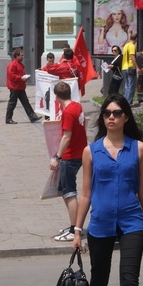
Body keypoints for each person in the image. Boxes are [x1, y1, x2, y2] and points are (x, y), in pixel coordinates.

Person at [72, 94, 143, 286]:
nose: (111, 117)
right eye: (107, 113)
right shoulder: (91, 151)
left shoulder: (139, 148)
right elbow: (86, 193)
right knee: (99, 279)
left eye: (116, 113)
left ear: (126, 117)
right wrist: (77, 231)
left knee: (129, 281)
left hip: (132, 222)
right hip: (100, 222)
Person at [50, 81, 88, 242]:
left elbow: (66, 136)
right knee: (68, 190)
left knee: (69, 192)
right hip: (81, 152)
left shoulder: (68, 112)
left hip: (69, 156)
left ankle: (75, 228)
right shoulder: (77, 106)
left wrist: (56, 157)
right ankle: (75, 226)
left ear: (56, 97)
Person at [5, 48, 42, 125]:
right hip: (14, 87)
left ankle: (32, 117)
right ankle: (8, 119)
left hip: (20, 86)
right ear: (16, 56)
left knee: (26, 103)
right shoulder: (12, 64)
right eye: (21, 55)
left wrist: (25, 78)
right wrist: (21, 78)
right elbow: (12, 76)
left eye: (22, 55)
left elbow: (20, 75)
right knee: (12, 103)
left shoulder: (20, 64)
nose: (22, 57)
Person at [121, 34, 139, 104]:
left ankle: (126, 101)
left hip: (124, 67)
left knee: (126, 85)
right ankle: (128, 102)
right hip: (130, 67)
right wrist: (137, 67)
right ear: (136, 39)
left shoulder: (126, 46)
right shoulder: (132, 46)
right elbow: (132, 57)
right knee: (131, 85)